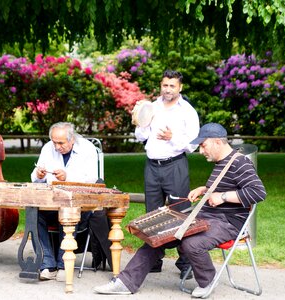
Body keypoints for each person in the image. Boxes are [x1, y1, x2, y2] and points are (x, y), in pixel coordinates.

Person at [93, 123, 266, 298]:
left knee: (191, 244)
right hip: (206, 217)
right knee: (159, 236)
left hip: (228, 223)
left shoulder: (240, 163)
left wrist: (222, 197)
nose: (201, 151)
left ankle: (208, 280)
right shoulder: (223, 162)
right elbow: (225, 185)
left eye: (203, 145)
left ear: (217, 142)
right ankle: (125, 282)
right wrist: (204, 190)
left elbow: (258, 192)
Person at [133, 70, 200, 277]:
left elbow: (193, 145)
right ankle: (154, 259)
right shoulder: (151, 107)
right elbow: (139, 136)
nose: (168, 89)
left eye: (172, 86)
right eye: (165, 85)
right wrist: (140, 123)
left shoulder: (187, 111)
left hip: (175, 165)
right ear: (160, 86)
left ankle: (186, 262)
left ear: (180, 87)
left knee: (181, 212)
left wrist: (172, 137)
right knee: (152, 214)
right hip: (152, 166)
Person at [31, 122, 100, 282]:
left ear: (72, 139)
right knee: (32, 212)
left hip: (78, 207)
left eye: (60, 143)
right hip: (51, 203)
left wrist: (67, 177)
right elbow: (35, 175)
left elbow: (92, 180)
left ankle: (63, 265)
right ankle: (47, 264)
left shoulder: (87, 149)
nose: (56, 147)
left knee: (68, 211)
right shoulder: (48, 148)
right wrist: (39, 175)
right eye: (54, 142)